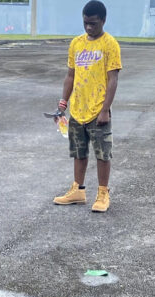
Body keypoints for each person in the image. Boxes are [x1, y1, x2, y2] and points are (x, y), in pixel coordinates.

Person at [52, 0, 121, 213]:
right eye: (85, 23)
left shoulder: (110, 44)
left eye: (93, 23)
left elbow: (113, 80)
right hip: (77, 110)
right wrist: (63, 104)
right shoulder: (76, 43)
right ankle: (78, 190)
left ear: (103, 20)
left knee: (102, 153)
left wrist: (104, 110)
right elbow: (70, 75)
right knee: (78, 152)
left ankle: (102, 193)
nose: (89, 27)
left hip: (97, 111)